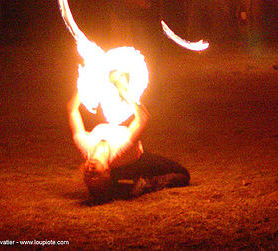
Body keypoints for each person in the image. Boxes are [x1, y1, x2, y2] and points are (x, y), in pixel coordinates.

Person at [68, 69, 190, 204]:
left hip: (123, 165)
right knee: (182, 175)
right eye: (95, 173)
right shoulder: (120, 151)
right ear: (107, 169)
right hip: (138, 163)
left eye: (87, 173)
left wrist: (84, 85)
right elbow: (142, 118)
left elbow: (72, 110)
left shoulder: (85, 145)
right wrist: (123, 91)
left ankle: (120, 187)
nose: (90, 169)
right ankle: (144, 186)